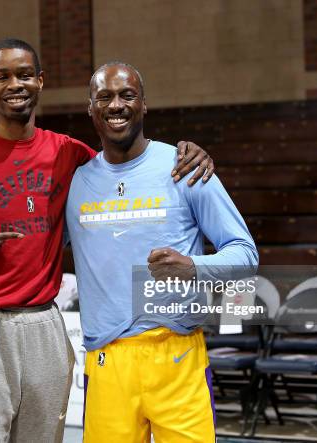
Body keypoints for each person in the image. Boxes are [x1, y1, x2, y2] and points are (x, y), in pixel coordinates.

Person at [0, 39, 214, 443]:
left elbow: (123, 161)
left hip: (45, 324)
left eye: (25, 74)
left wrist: (187, 152)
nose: (16, 84)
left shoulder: (68, 153)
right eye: (2, 76)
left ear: (40, 81)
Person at [65, 62, 259, 442]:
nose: (116, 105)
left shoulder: (185, 167)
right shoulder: (77, 183)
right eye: (104, 97)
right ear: (91, 109)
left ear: (144, 105)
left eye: (127, 95)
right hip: (107, 362)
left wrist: (194, 267)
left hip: (177, 354)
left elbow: (245, 256)